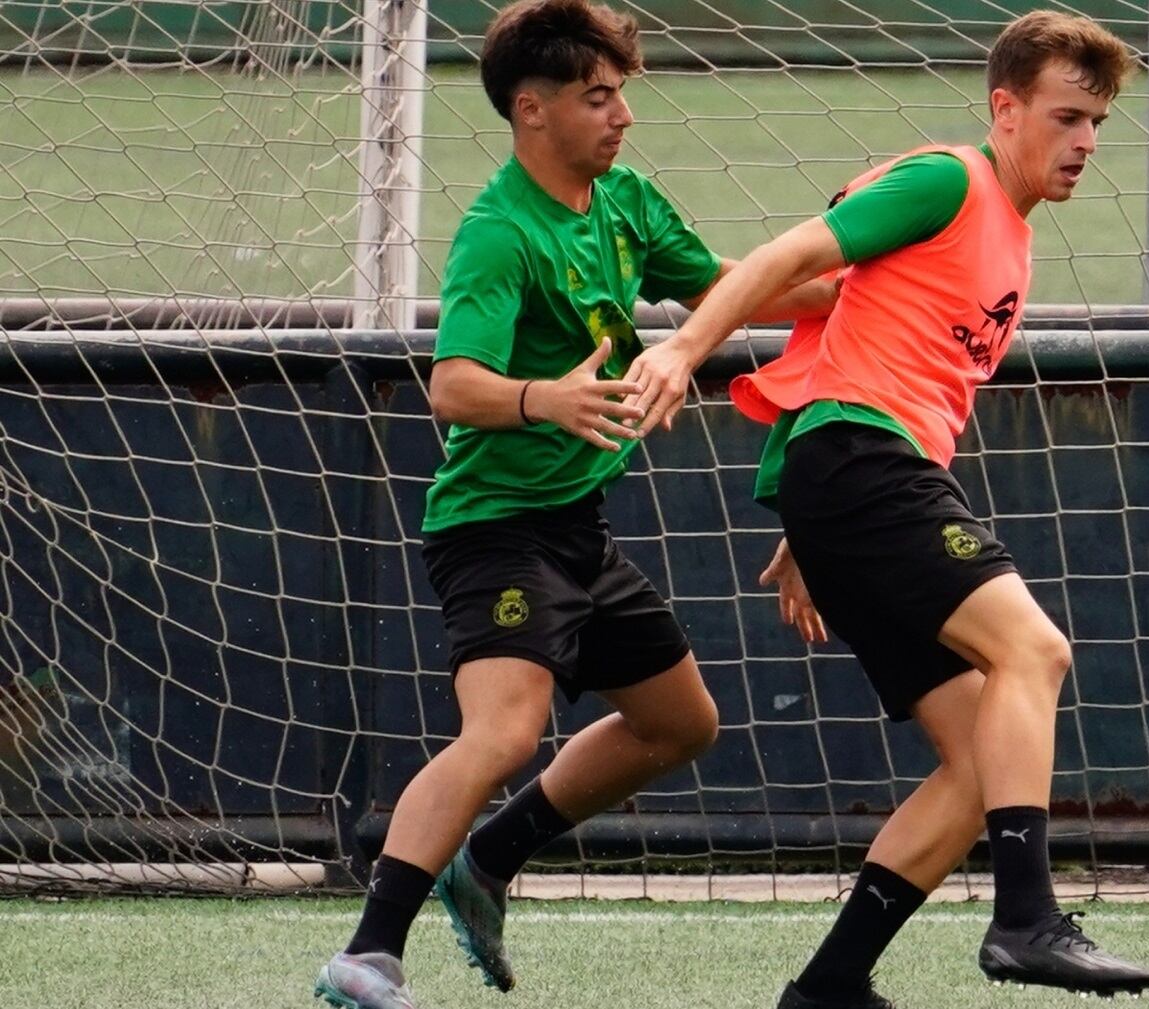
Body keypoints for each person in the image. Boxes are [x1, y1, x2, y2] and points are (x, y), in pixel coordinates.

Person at [621, 11, 1149, 1007]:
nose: (1086, 142)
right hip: (870, 469)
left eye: (1099, 123)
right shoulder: (949, 180)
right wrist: (684, 348)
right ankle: (1026, 917)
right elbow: (789, 258)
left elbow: (848, 345)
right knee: (1033, 652)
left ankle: (827, 986)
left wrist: (804, 520)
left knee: (976, 764)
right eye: (1068, 117)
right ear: (1006, 109)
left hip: (855, 482)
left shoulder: (1015, 240)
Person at [312, 3, 835, 1007]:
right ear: (532, 109)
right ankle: (368, 954)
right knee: (504, 735)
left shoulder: (628, 201)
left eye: (622, 92)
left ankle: (491, 859)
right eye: (600, 96)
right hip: (494, 531)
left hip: (578, 533)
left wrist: (860, 285)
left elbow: (728, 291)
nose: (623, 115)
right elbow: (452, 385)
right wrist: (542, 398)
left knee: (681, 723)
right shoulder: (499, 234)